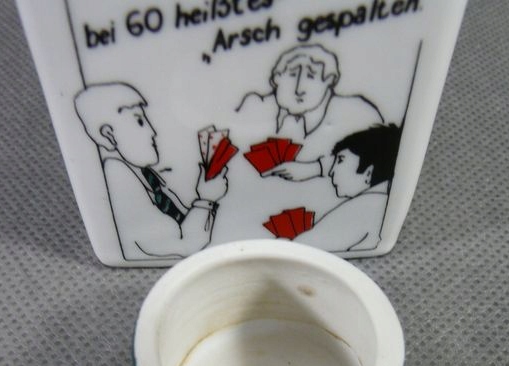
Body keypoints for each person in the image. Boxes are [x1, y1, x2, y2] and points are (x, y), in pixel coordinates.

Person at [75, 83, 228, 260]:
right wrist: (206, 199)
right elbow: (182, 243)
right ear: (109, 134)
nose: (152, 132)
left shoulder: (147, 176)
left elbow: (187, 228)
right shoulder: (116, 176)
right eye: (140, 121)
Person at [235, 44, 383, 182]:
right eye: (292, 74)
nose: (299, 89)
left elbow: (382, 157)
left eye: (311, 76)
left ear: (330, 80)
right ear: (276, 78)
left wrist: (315, 168)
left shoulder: (358, 112)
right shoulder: (254, 107)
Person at [295, 124, 401, 252]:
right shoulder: (382, 201)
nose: (331, 172)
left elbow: (300, 250)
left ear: (368, 172)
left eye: (340, 160)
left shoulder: (364, 206)